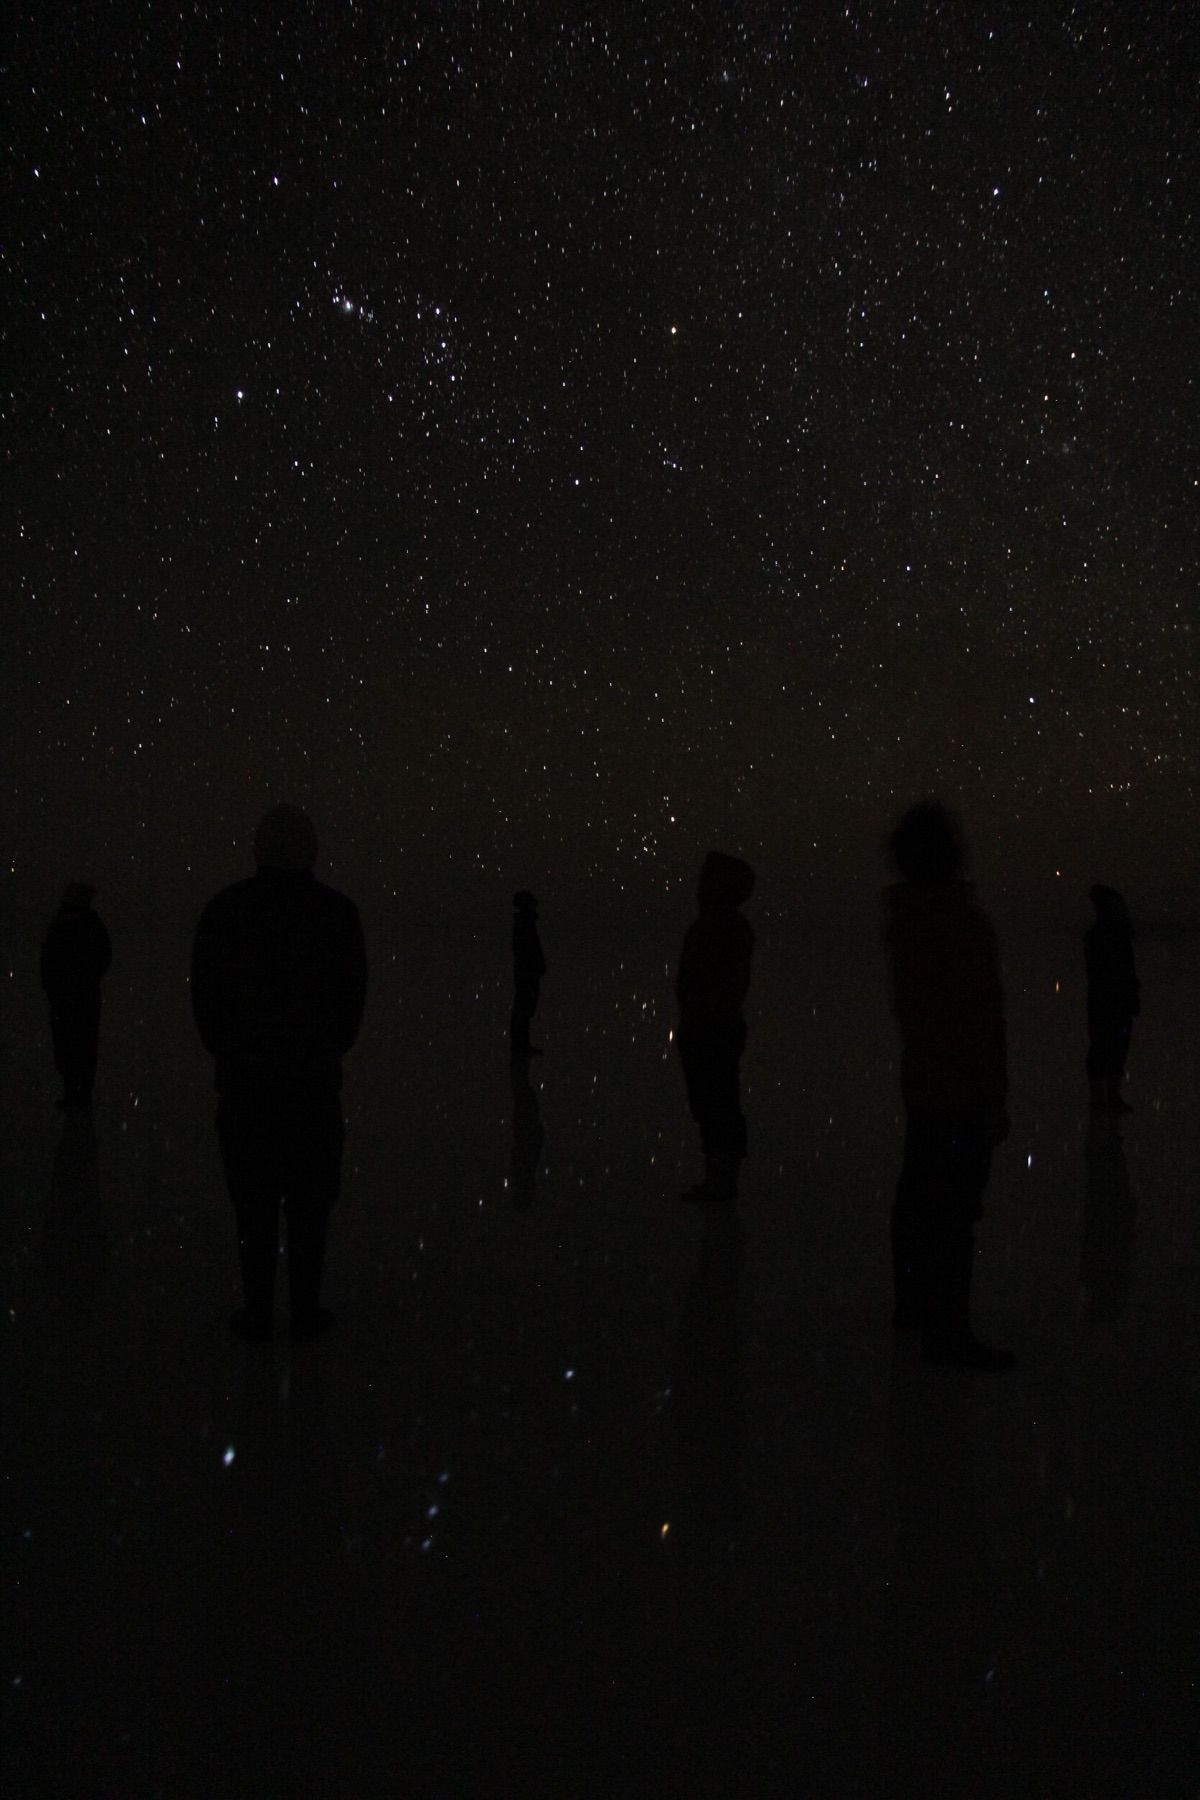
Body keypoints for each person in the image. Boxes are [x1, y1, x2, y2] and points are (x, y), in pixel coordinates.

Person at [190, 805, 367, 1343]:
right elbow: (350, 1000)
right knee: (310, 1204)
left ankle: (260, 1312)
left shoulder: (228, 909)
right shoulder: (335, 913)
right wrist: (321, 1049)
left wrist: (233, 1051)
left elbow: (206, 998)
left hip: (248, 1085)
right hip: (310, 1085)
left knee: (254, 1205)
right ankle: (305, 1310)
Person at [885, 803, 1014, 1371]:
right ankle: (947, 1333)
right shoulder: (952, 921)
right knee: (951, 1212)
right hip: (956, 1090)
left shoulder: (908, 916)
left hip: (927, 1084)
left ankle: (914, 1307)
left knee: (921, 1201)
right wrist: (991, 1096)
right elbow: (975, 1017)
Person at [675, 851, 755, 1203]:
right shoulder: (713, 925)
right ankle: (718, 1181)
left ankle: (723, 1183)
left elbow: (724, 983)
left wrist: (709, 1015)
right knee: (709, 1104)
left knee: (718, 1103)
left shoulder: (726, 928)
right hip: (704, 1027)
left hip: (714, 1029)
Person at [40, 883, 112, 1108]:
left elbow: (49, 959)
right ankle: (77, 1094)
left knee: (73, 1045)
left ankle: (77, 1095)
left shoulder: (72, 925)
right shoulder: (80, 925)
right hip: (73, 995)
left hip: (73, 995)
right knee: (76, 1045)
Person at [1084, 884, 1138, 1113]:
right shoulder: (1100, 937)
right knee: (1104, 1048)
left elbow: (1126, 971)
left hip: (1116, 1000)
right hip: (1107, 1001)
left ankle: (1109, 1098)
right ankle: (1102, 1099)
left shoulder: (1114, 935)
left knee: (1115, 1049)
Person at [510, 890, 546, 1057]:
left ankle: (521, 1045)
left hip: (527, 971)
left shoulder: (525, 923)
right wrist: (534, 966)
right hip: (527, 972)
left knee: (525, 1009)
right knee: (524, 1009)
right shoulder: (525, 924)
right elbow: (524, 949)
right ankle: (520, 1046)